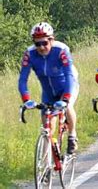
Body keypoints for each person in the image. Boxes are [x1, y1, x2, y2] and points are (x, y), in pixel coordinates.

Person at [19, 22, 80, 155]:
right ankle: (46, 166)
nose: (41, 47)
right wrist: (26, 99)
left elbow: (69, 75)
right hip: (48, 92)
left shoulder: (61, 50)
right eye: (37, 44)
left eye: (44, 43)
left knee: (68, 106)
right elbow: (23, 79)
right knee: (47, 128)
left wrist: (66, 98)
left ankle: (72, 136)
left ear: (52, 39)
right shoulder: (29, 54)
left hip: (67, 86)